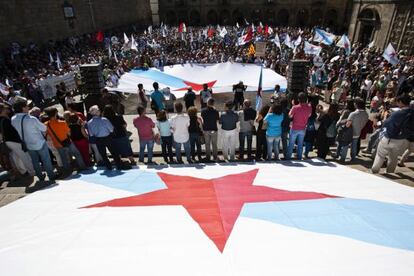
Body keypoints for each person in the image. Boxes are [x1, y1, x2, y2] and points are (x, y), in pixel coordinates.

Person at [11, 100, 55, 182]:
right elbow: (44, 128)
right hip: (39, 142)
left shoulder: (12, 119)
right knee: (46, 160)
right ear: (23, 108)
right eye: (26, 106)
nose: (28, 107)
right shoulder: (31, 118)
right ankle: (51, 175)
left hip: (27, 144)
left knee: (35, 161)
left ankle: (40, 176)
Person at [372, 94, 413, 173]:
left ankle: (375, 171)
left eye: (397, 102)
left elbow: (385, 123)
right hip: (402, 139)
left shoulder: (396, 113)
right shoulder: (412, 112)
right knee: (393, 158)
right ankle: (390, 172)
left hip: (389, 137)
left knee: (380, 155)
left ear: (401, 102)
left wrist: (377, 124)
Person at [44, 107, 86, 173]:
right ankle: (82, 167)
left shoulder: (46, 124)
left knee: (63, 158)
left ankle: (68, 171)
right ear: (56, 113)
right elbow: (69, 133)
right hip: (68, 142)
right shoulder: (62, 123)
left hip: (57, 144)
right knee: (77, 154)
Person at [0, 103, 35, 176]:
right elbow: (13, 131)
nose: (8, 109)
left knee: (16, 156)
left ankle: (22, 171)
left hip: (8, 141)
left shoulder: (4, 119)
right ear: (2, 110)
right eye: (6, 108)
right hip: (13, 140)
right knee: (25, 156)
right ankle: (32, 172)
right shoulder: (4, 120)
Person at [87, 105, 124, 170]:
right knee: (114, 152)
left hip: (98, 139)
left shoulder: (89, 123)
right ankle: (118, 165)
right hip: (107, 138)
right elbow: (111, 129)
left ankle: (108, 166)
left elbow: (91, 134)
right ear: (97, 112)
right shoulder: (104, 120)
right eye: (98, 110)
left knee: (103, 154)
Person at [287, 92, 312, 160]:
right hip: (303, 128)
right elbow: (309, 115)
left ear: (298, 99)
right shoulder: (309, 107)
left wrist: (293, 106)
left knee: (291, 144)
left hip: (294, 128)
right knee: (300, 144)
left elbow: (290, 115)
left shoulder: (295, 107)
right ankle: (299, 158)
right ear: (306, 99)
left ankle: (288, 158)